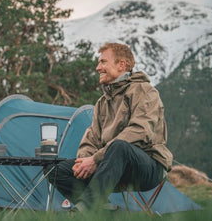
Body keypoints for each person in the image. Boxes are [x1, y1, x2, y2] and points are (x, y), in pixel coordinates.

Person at [46, 42, 173, 211]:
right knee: (54, 169)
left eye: (103, 62)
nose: (98, 68)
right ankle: (104, 212)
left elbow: (140, 132)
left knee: (119, 146)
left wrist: (95, 159)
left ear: (122, 65)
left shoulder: (144, 91)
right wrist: (84, 161)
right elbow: (91, 138)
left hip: (149, 166)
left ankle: (85, 210)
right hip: (109, 166)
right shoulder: (103, 102)